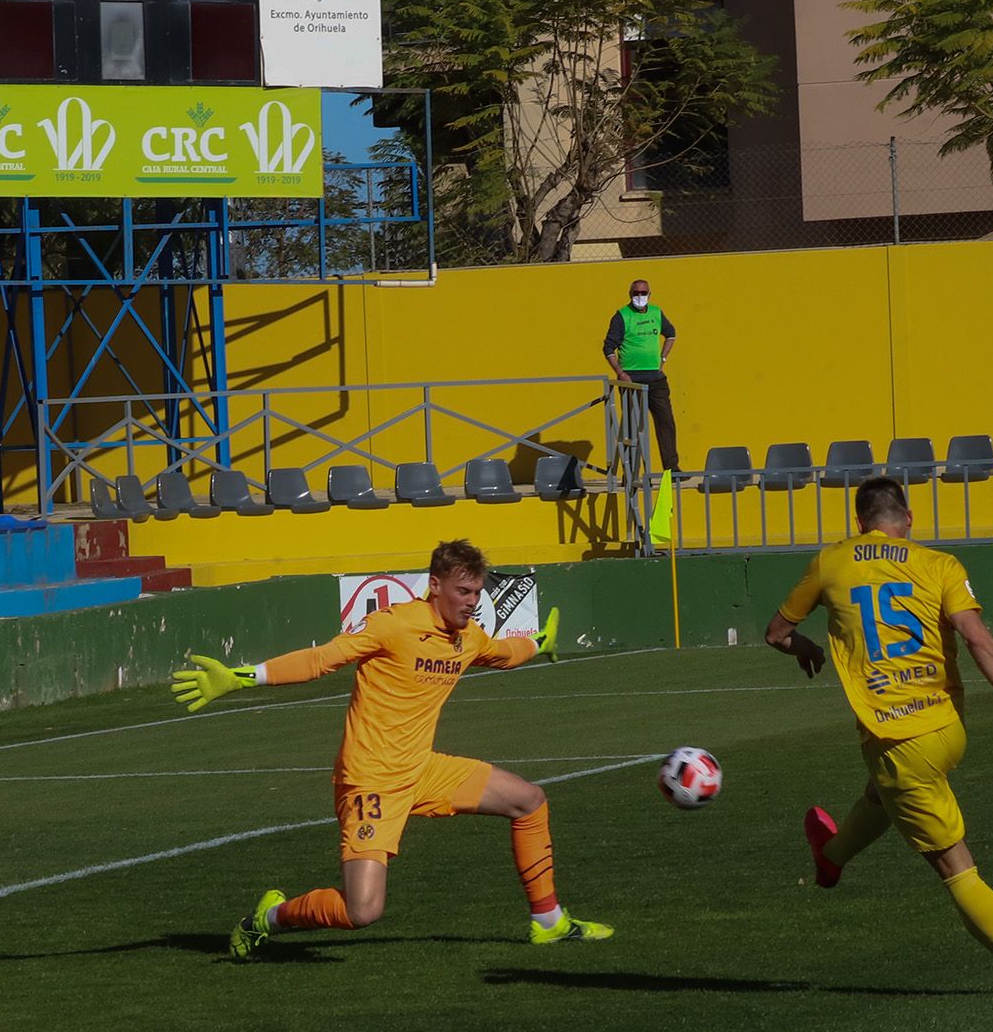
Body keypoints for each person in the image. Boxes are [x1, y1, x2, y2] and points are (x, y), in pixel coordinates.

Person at [171, 540, 610, 960]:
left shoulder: (468, 635)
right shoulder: (393, 624)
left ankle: (548, 920)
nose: (472, 600)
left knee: (529, 801)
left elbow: (502, 652)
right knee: (362, 911)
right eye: (463, 591)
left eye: (477, 591)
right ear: (434, 585)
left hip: (422, 770)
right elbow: (321, 659)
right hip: (371, 781)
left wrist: (538, 643)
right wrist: (242, 677)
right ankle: (266, 918)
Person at [763, 476, 993, 993]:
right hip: (948, 728)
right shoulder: (941, 565)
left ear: (860, 523)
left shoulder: (832, 560)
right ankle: (831, 858)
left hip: (897, 740)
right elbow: (977, 638)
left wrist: (806, 649)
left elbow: (776, 632)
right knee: (880, 793)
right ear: (908, 519)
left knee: (955, 865)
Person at [603, 278, 680, 472]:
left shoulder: (656, 312)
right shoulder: (622, 316)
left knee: (666, 422)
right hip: (632, 379)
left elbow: (671, 334)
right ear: (630, 295)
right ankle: (630, 473)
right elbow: (609, 347)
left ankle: (671, 468)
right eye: (636, 293)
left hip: (656, 378)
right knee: (631, 427)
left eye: (643, 293)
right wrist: (620, 372)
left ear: (649, 294)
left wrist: (663, 359)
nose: (640, 296)